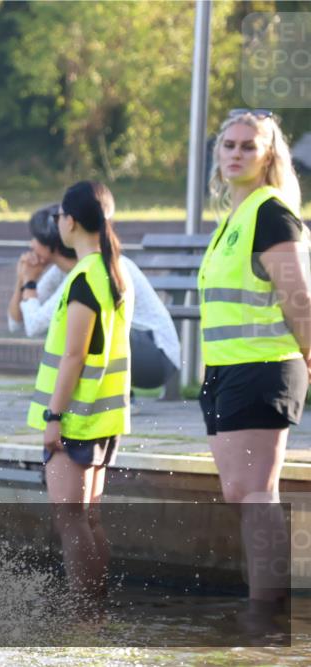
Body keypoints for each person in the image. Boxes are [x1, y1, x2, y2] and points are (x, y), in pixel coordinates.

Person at [200, 109, 310, 611]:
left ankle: (267, 611)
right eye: (229, 144)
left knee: (256, 493)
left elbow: (299, 298)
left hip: (264, 368)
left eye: (249, 146)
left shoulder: (270, 211)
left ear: (269, 156)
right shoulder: (235, 218)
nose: (236, 153)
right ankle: (262, 604)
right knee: (241, 492)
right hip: (228, 370)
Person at [27, 182, 133, 598]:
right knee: (88, 518)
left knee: (71, 520)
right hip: (104, 417)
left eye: (59, 218)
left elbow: (74, 356)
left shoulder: (84, 278)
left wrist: (54, 417)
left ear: (69, 222)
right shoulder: (113, 271)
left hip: (77, 418)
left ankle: (84, 616)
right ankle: (96, 611)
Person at [9, 204, 180, 390]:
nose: (31, 244)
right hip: (139, 351)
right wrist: (23, 280)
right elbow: (16, 323)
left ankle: (118, 398)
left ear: (50, 242)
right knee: (76, 323)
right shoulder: (63, 270)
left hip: (156, 357)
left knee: (79, 325)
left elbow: (34, 326)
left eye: (35, 238)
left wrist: (29, 283)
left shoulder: (89, 269)